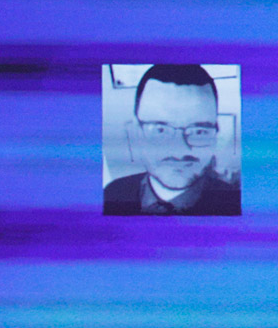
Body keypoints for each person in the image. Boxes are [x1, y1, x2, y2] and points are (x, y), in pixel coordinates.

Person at [103, 64, 242, 216]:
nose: (179, 152)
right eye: (160, 130)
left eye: (199, 131)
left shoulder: (237, 205)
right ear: (136, 132)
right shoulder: (111, 195)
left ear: (215, 135)